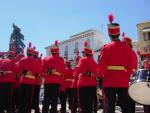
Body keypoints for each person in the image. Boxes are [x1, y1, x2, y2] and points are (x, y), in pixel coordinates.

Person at [97, 14, 134, 113]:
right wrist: (126, 75)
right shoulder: (127, 48)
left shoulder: (106, 47)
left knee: (110, 105)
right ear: (118, 33)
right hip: (123, 79)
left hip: (109, 80)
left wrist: (99, 76)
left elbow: (101, 65)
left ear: (109, 35)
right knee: (125, 105)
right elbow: (131, 65)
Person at [42, 40, 65, 113]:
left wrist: (49, 71)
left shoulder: (45, 59)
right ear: (57, 51)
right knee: (54, 101)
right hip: (56, 82)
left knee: (46, 100)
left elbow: (42, 70)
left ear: (51, 51)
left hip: (47, 81)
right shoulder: (61, 60)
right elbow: (63, 72)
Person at [74, 41, 97, 113]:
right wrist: (91, 74)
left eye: (83, 53)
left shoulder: (82, 59)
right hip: (92, 85)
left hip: (83, 84)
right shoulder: (94, 62)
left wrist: (86, 73)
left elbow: (79, 69)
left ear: (85, 53)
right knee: (90, 104)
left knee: (82, 105)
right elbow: (97, 72)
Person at [18, 42, 37, 113]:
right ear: (32, 54)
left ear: (26, 52)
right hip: (31, 82)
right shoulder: (36, 61)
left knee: (21, 99)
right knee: (28, 99)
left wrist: (25, 72)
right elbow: (38, 72)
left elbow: (18, 70)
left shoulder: (22, 60)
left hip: (23, 81)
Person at [122, 35, 138, 113]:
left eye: (123, 43)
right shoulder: (133, 53)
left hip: (126, 79)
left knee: (126, 103)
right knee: (131, 102)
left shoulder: (127, 52)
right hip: (131, 79)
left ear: (127, 44)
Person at [0, 48, 17, 113]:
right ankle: (8, 110)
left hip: (2, 81)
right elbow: (15, 71)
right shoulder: (13, 61)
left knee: (2, 96)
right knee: (9, 97)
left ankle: (1, 109)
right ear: (12, 56)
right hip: (10, 81)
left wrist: (4, 72)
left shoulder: (3, 61)